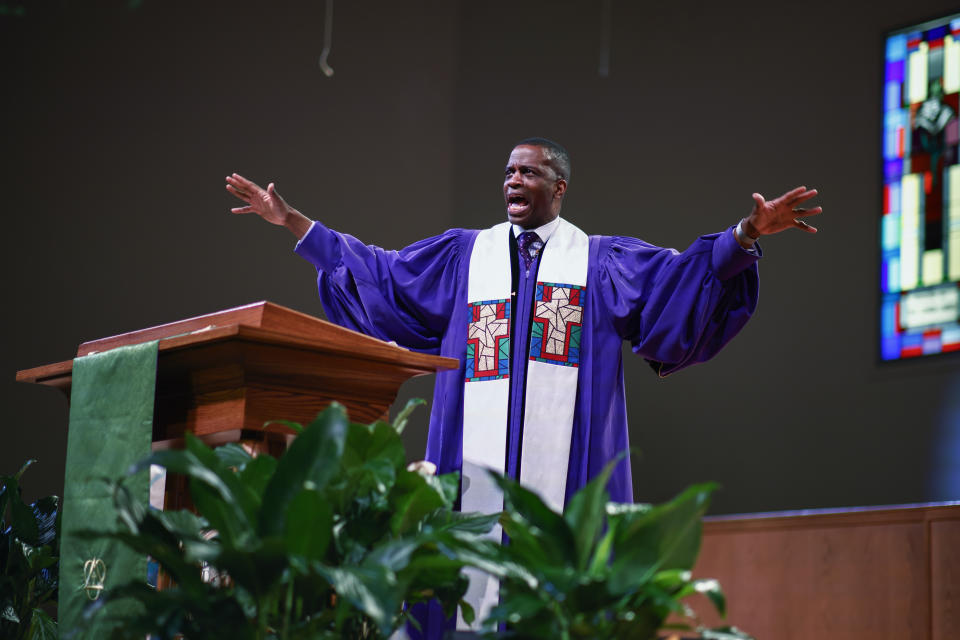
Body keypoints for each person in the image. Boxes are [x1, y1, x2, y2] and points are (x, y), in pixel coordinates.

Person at [226, 137, 821, 632]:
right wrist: (295, 224)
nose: (513, 179)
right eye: (509, 171)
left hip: (568, 473)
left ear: (559, 188)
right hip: (472, 479)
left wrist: (744, 234)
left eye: (529, 171)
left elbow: (678, 281)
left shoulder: (599, 262)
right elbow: (381, 273)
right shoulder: (464, 257)